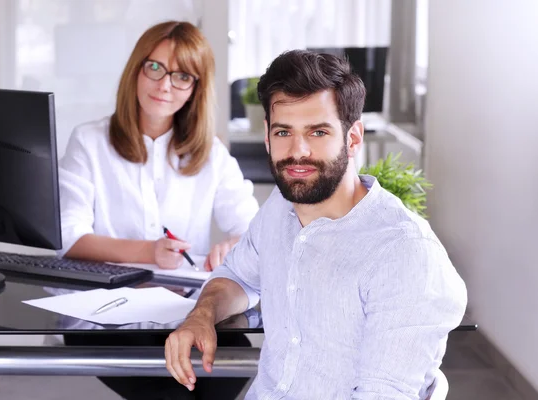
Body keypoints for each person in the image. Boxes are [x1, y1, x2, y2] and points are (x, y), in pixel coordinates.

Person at [165, 49, 468, 399]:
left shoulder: (404, 253)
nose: (298, 151)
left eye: (318, 132)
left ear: (353, 138)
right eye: (283, 133)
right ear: (267, 135)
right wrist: (202, 314)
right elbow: (237, 277)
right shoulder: (280, 207)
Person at [59, 20, 259, 400]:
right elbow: (69, 238)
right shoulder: (89, 142)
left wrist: (234, 244)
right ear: (137, 69)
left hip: (186, 311)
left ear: (195, 89)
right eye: (155, 67)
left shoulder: (211, 154)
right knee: (173, 393)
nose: (165, 85)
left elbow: (252, 226)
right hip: (103, 316)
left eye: (182, 76)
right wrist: (148, 252)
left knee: (231, 368)